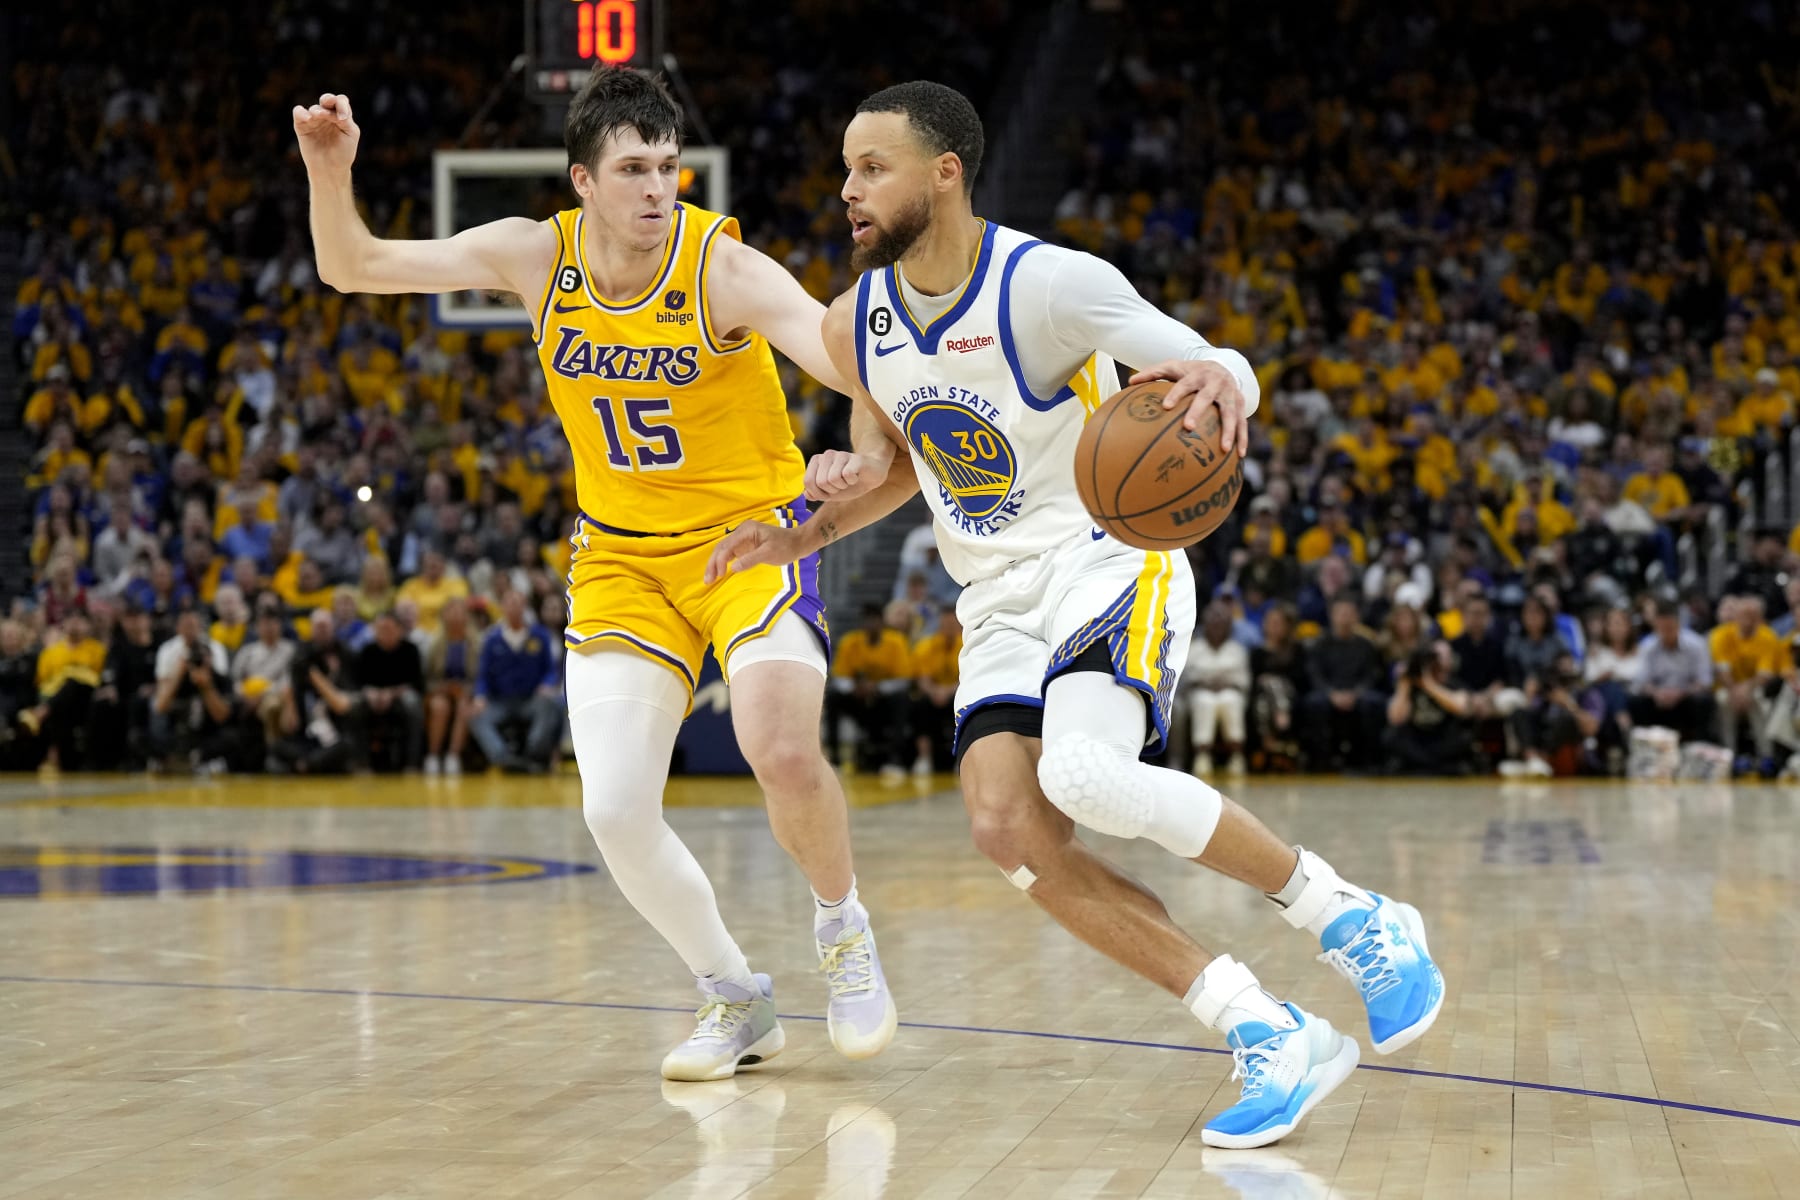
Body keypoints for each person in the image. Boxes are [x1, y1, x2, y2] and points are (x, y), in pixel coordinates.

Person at [708, 81, 1441, 1149]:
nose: (847, 188)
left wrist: (1225, 381)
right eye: (847, 168)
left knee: (1085, 777)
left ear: (944, 172)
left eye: (873, 167)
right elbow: (896, 462)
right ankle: (1264, 1027)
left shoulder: (1046, 284)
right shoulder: (853, 318)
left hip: (1109, 555)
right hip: (997, 597)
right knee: (1009, 827)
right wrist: (805, 527)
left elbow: (1206, 358)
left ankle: (1350, 917)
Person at [295, 65, 897, 1078]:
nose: (658, 187)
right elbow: (352, 265)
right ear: (583, 180)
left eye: (667, 167)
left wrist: (862, 452)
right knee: (614, 811)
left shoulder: (723, 268)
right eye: (633, 169)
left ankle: (842, 927)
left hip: (748, 541)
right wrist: (329, 168)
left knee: (780, 750)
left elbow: (858, 362)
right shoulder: (537, 257)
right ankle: (734, 996)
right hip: (621, 557)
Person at [468, 589, 564, 773]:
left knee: (551, 705)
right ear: (502, 607)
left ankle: (533, 754)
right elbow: (483, 676)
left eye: (518, 603)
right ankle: (503, 758)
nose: (514, 607)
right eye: (509, 602)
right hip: (501, 701)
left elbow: (551, 670)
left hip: (530, 699)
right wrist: (480, 697)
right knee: (474, 715)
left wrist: (546, 684)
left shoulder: (540, 636)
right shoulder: (492, 639)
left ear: (524, 607)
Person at [826, 604, 914, 776]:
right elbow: (839, 678)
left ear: (882, 623)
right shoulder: (849, 642)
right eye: (867, 621)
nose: (870, 625)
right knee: (832, 697)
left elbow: (904, 680)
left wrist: (877, 687)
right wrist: (855, 687)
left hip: (883, 701)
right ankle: (834, 759)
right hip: (857, 699)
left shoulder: (896, 642)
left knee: (902, 699)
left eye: (874, 621)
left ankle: (895, 759)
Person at [1629, 597, 1718, 743]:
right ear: (1656, 625)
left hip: (1686, 698)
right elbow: (1640, 682)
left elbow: (1705, 681)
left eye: (1670, 628)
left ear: (1678, 625)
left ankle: (1699, 746)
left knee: (1704, 701)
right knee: (1636, 701)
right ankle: (1646, 746)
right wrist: (1656, 693)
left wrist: (1680, 693)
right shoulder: (1648, 646)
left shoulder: (1696, 644)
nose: (1666, 633)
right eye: (1662, 628)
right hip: (1659, 700)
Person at [1384, 640, 1475, 775]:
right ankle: (1431, 765)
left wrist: (1429, 685)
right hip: (1417, 739)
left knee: (1464, 738)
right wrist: (1404, 684)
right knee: (1390, 736)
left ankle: (1423, 764)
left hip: (1442, 738)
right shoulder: (1410, 684)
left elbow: (1461, 708)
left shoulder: (1454, 683)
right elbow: (1395, 719)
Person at [1185, 601, 1250, 777]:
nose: (1216, 627)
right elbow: (1188, 679)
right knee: (1204, 701)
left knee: (1230, 700)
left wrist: (1222, 682)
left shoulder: (1237, 650)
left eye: (1221, 623)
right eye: (1213, 622)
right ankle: (1202, 755)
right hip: (1201, 693)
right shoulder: (1194, 648)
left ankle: (1236, 755)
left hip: (1229, 692)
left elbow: (1244, 682)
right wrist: (1209, 681)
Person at [907, 606, 960, 775]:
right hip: (933, 694)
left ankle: (961, 758)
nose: (949, 627)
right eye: (945, 623)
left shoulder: (967, 645)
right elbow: (923, 677)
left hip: (957, 693)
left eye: (952, 623)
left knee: (965, 708)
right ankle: (924, 757)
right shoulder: (927, 645)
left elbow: (968, 677)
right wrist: (935, 692)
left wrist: (948, 691)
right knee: (920, 706)